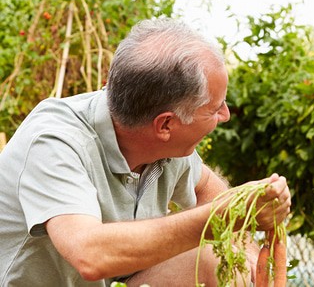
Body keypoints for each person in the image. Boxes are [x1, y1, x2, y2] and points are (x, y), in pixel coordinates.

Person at [0, 18, 291, 287]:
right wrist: (220, 219)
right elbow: (89, 254)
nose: (225, 115)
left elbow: (205, 185)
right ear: (165, 124)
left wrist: (246, 247)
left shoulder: (166, 145)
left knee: (220, 263)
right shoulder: (55, 141)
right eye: (215, 108)